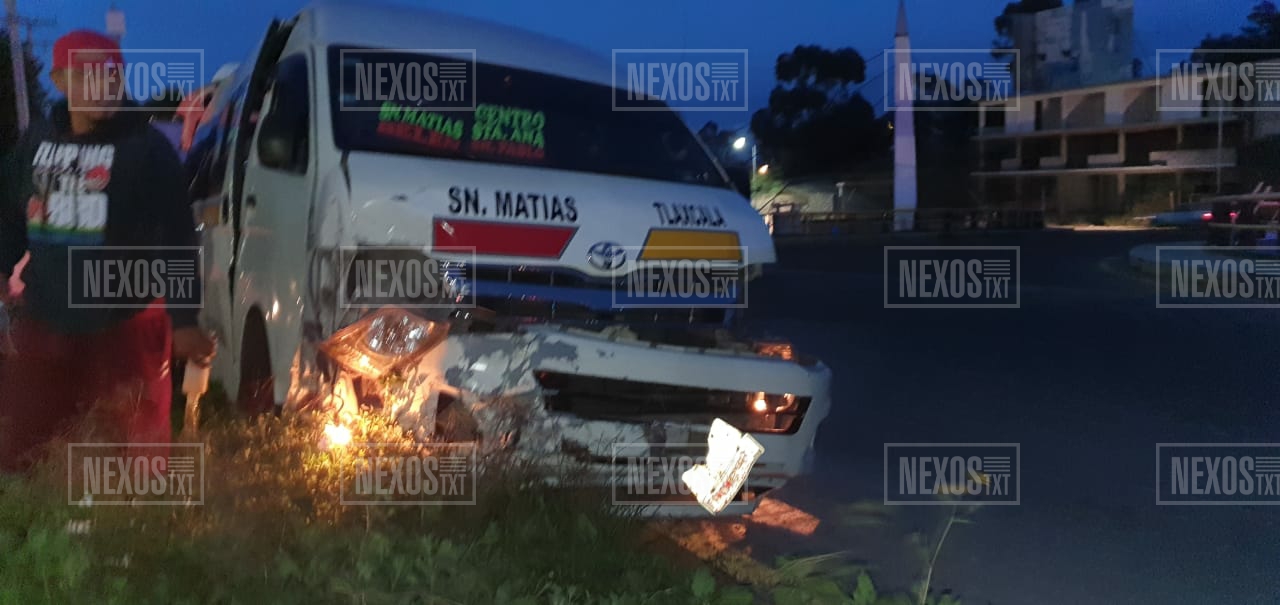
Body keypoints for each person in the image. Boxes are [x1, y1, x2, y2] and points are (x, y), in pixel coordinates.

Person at [0, 30, 216, 472]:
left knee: (135, 457)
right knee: (24, 448)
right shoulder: (35, 142)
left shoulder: (148, 149)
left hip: (127, 327)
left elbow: (177, 237)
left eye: (111, 75)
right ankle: (38, 509)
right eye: (86, 75)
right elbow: (9, 213)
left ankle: (131, 509)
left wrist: (184, 320)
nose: (101, 86)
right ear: (60, 79)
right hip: (45, 320)